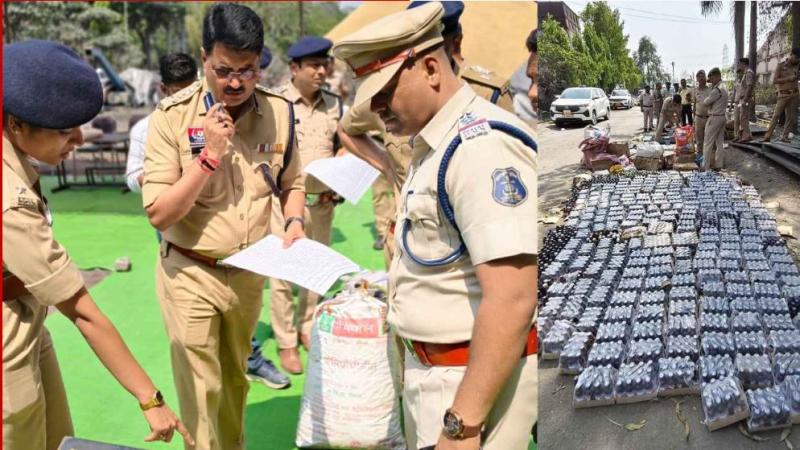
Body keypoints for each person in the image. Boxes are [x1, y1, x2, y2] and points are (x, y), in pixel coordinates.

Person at [333, 3, 538, 449]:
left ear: (430, 68)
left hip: (465, 383)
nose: (377, 108)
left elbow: (513, 297)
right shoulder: (434, 141)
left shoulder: (480, 148)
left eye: (385, 92)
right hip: (437, 375)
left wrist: (462, 425)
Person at [3, 39, 193, 450]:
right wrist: (150, 398)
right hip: (7, 343)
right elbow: (82, 311)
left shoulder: (15, 159)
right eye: (63, 130)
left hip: (29, 320)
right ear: (16, 124)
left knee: (56, 437)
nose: (78, 139)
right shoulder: (8, 201)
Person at [142, 4, 306, 449]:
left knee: (235, 381)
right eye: (224, 70)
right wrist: (209, 157)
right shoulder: (172, 117)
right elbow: (158, 213)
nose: (235, 83)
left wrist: (294, 220)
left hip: (249, 273)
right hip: (190, 271)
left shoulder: (280, 112)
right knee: (201, 390)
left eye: (247, 70)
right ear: (204, 58)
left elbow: (292, 183)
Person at [126, 52, 291, 391]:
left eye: (192, 88)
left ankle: (252, 360)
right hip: (187, 248)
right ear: (164, 90)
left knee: (235, 371)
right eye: (178, 91)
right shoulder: (158, 122)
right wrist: (184, 173)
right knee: (200, 374)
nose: (189, 97)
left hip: (243, 260)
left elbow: (280, 177)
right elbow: (148, 195)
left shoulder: (255, 113)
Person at [338, 0, 517, 268]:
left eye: (434, 46)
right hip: (405, 239)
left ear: (454, 43)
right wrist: (387, 167)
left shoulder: (486, 93)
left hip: (468, 247)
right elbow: (346, 129)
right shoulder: (383, 97)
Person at [269, 36, 343, 375]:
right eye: (313, 65)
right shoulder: (277, 104)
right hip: (285, 204)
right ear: (294, 68)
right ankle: (286, 342)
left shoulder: (334, 104)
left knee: (315, 271)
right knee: (283, 274)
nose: (321, 71)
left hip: (323, 203)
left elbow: (342, 142)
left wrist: (344, 156)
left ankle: (307, 327)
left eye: (324, 64)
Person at [761, 48, 800, 143]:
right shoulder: (780, 66)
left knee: (790, 117)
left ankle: (785, 137)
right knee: (776, 116)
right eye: (796, 58)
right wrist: (788, 79)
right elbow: (774, 80)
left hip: (795, 95)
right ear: (791, 55)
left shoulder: (797, 65)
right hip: (783, 95)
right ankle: (767, 136)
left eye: (799, 59)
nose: (797, 60)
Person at [702, 67, 729, 171]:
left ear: (717, 76)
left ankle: (705, 166)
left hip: (714, 117)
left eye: (712, 78)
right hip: (722, 117)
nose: (711, 81)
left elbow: (705, 102)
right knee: (719, 143)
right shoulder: (724, 86)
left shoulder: (717, 90)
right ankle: (719, 164)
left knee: (707, 142)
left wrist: (710, 92)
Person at [734, 57, 755, 142]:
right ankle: (744, 135)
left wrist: (745, 99)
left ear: (743, 64)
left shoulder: (749, 73)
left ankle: (747, 135)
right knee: (742, 117)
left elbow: (749, 86)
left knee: (744, 118)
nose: (739, 66)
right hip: (741, 99)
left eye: (739, 64)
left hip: (745, 99)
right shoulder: (745, 73)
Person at [693, 70, 712, 155]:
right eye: (699, 77)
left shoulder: (710, 89)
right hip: (698, 118)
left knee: (708, 139)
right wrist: (694, 118)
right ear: (697, 79)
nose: (701, 78)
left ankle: (707, 156)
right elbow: (694, 104)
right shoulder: (695, 90)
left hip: (708, 118)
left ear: (705, 78)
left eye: (703, 76)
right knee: (699, 139)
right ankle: (699, 155)